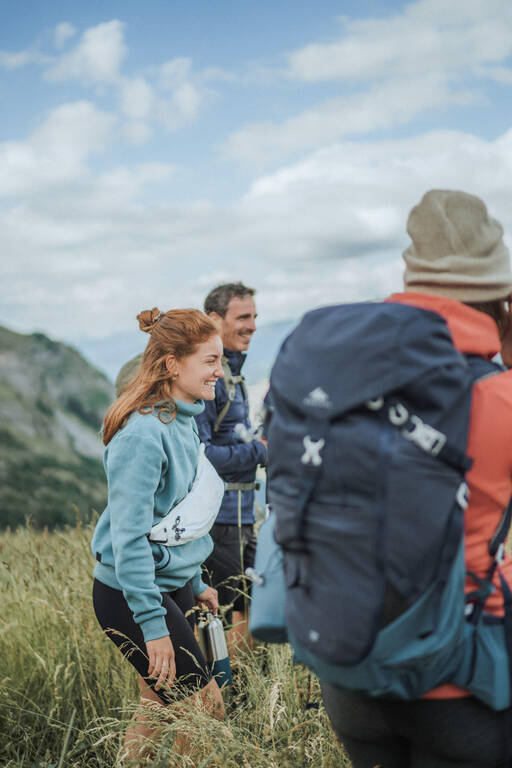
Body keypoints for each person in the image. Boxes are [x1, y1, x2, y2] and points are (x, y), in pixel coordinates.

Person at [321, 190, 512, 768]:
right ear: (498, 293)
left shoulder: (341, 374)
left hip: (349, 666)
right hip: (456, 673)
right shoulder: (498, 396)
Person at [91, 307, 225, 763]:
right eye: (209, 361)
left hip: (167, 588)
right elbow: (129, 542)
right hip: (130, 596)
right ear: (172, 364)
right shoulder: (144, 435)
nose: (218, 372)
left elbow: (172, 524)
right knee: (205, 710)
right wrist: (153, 626)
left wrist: (195, 583)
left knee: (157, 711)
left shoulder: (182, 422)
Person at [196, 282, 267, 648]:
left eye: (254, 317)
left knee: (250, 605)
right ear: (214, 319)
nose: (252, 325)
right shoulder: (209, 377)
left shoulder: (232, 373)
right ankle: (228, 692)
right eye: (242, 317)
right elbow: (200, 453)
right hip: (219, 521)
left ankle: (237, 688)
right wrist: (259, 451)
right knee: (231, 610)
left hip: (240, 517)